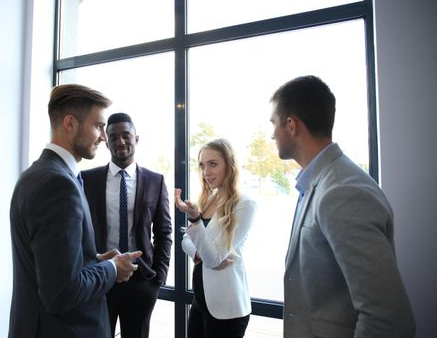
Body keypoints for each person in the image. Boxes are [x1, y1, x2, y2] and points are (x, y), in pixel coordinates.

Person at [269, 75, 416, 337]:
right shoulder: (319, 181)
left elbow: (387, 319)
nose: (272, 135)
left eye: (274, 124)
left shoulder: (342, 191)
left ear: (291, 125)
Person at [8, 84, 142, 338]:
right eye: (98, 126)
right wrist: (112, 268)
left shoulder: (34, 175)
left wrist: (95, 260)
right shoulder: (57, 184)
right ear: (70, 124)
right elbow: (61, 292)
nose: (104, 137)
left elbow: (51, 266)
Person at [81, 112, 172, 338]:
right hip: (101, 277)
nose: (120, 141)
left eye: (126, 135)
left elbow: (164, 232)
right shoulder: (87, 179)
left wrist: (157, 279)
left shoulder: (155, 181)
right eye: (113, 137)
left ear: (136, 138)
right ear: (106, 142)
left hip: (140, 280)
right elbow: (80, 230)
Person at [174, 138, 257, 338]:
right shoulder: (209, 198)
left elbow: (213, 258)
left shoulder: (245, 204)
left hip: (226, 308)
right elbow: (186, 240)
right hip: (201, 301)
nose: (206, 172)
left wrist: (195, 219)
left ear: (229, 165)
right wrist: (199, 252)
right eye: (202, 165)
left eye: (213, 164)